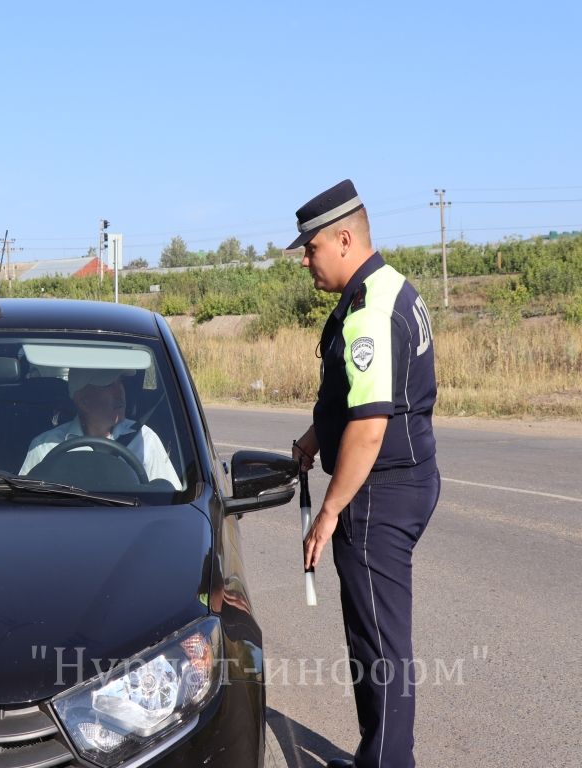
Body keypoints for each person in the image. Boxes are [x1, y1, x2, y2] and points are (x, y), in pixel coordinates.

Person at [288, 180, 441, 768]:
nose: (305, 260)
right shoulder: (389, 287)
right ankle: (377, 752)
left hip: (379, 492)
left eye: (311, 248)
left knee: (380, 648)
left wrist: (328, 513)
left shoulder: (368, 313)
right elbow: (355, 398)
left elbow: (371, 425)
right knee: (377, 640)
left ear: (344, 238)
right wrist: (311, 440)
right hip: (409, 476)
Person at [19, 368, 182, 489]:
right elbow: (26, 501)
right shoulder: (45, 446)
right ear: (84, 401)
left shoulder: (145, 439)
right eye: (109, 385)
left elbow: (170, 497)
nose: (120, 392)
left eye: (120, 382)